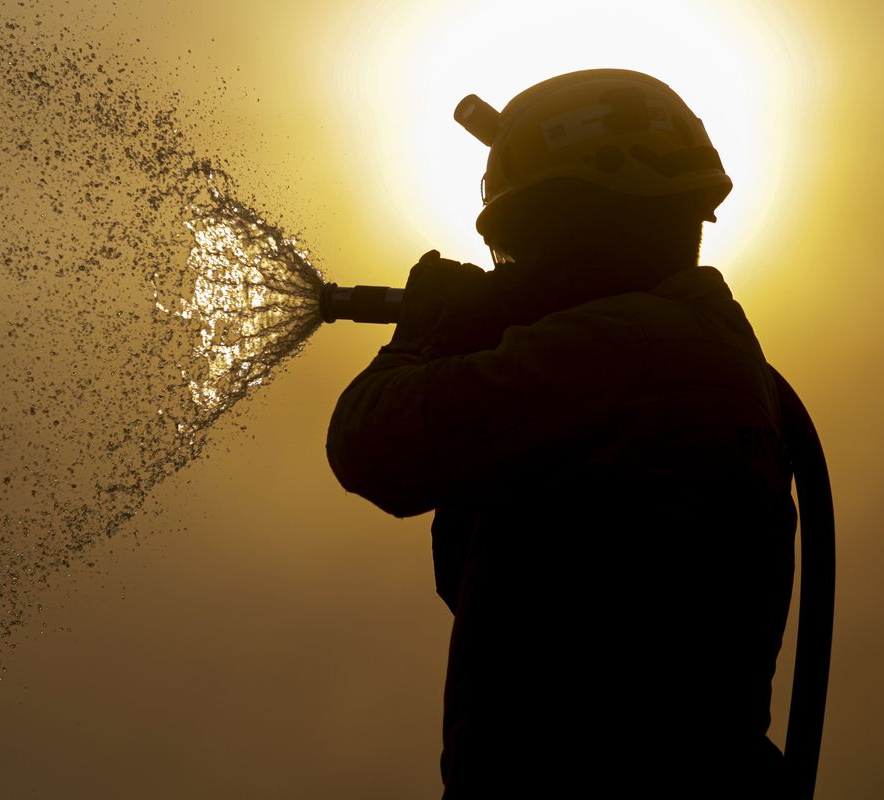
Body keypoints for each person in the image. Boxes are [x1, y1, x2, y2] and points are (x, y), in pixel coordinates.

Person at [325, 70, 798, 798]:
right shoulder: (712, 353)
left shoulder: (624, 351)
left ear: (580, 223)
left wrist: (424, 336)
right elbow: (478, 578)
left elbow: (372, 443)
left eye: (518, 247)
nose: (508, 274)